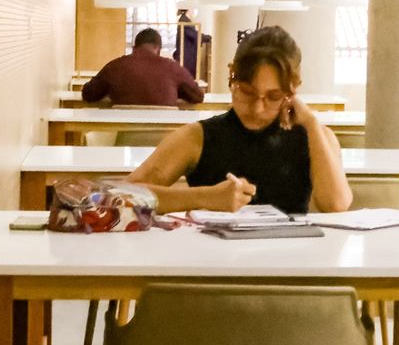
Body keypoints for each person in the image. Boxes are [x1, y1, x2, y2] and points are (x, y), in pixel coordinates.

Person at [126, 25, 352, 215]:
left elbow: (336, 205)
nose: (257, 107)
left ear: (292, 91)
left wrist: (311, 124)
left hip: (291, 264)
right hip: (211, 263)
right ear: (231, 77)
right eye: (246, 92)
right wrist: (203, 197)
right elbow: (126, 196)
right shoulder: (198, 137)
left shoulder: (313, 136)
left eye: (273, 96)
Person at [82, 28, 204, 107]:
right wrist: (177, 91)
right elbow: (198, 96)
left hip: (122, 138)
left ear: (134, 48)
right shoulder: (173, 67)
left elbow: (89, 94)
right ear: (158, 49)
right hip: (166, 140)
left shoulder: (115, 66)